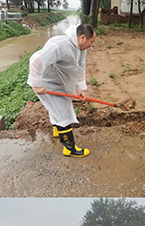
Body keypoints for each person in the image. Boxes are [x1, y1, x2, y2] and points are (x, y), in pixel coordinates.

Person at [27, 24, 97, 158]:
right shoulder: (60, 45)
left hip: (61, 84)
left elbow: (80, 67)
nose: (92, 45)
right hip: (48, 85)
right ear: (82, 37)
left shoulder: (81, 49)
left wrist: (80, 88)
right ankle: (69, 148)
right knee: (64, 115)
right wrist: (36, 85)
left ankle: (57, 130)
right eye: (91, 41)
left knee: (58, 110)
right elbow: (36, 60)